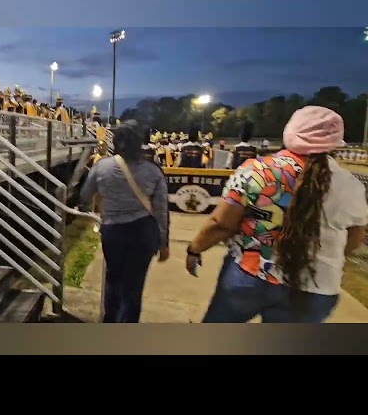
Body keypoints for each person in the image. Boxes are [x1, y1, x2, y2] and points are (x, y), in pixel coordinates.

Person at [186, 106, 368, 323]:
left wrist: (194, 249)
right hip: (315, 287)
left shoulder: (256, 170)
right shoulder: (351, 185)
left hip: (249, 276)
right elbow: (353, 241)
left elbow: (222, 224)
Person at [79, 120, 170, 323]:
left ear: (116, 142)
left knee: (113, 279)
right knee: (133, 288)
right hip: (143, 233)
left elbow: (85, 195)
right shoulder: (153, 171)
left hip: (113, 232)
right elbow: (161, 210)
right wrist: (164, 243)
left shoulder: (101, 167)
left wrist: (89, 207)